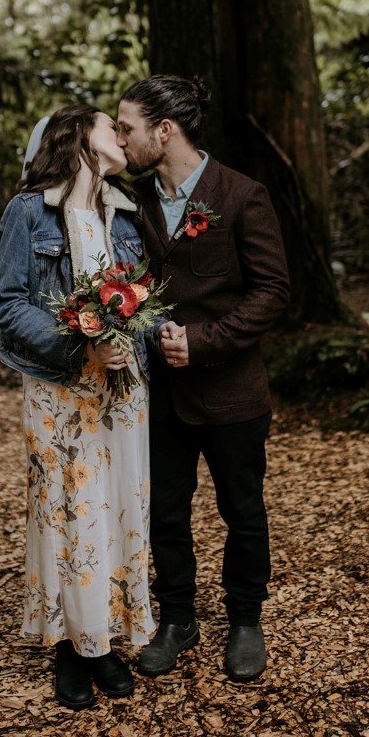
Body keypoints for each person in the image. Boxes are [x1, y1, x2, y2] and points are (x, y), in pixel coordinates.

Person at [116, 75, 290, 682]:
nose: (120, 138)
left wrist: (204, 341)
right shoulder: (129, 202)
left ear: (164, 131)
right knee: (165, 510)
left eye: (127, 127)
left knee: (242, 510)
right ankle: (178, 618)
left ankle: (245, 619)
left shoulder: (242, 195)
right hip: (159, 395)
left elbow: (273, 293)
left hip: (232, 392)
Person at [0, 104, 154, 710]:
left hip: (124, 392)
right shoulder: (28, 211)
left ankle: (104, 641)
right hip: (61, 389)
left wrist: (127, 345)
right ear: (78, 136)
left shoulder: (128, 215)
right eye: (109, 124)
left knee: (114, 510)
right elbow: (8, 305)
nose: (120, 132)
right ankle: (69, 647)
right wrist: (77, 346)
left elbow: (143, 299)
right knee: (64, 510)